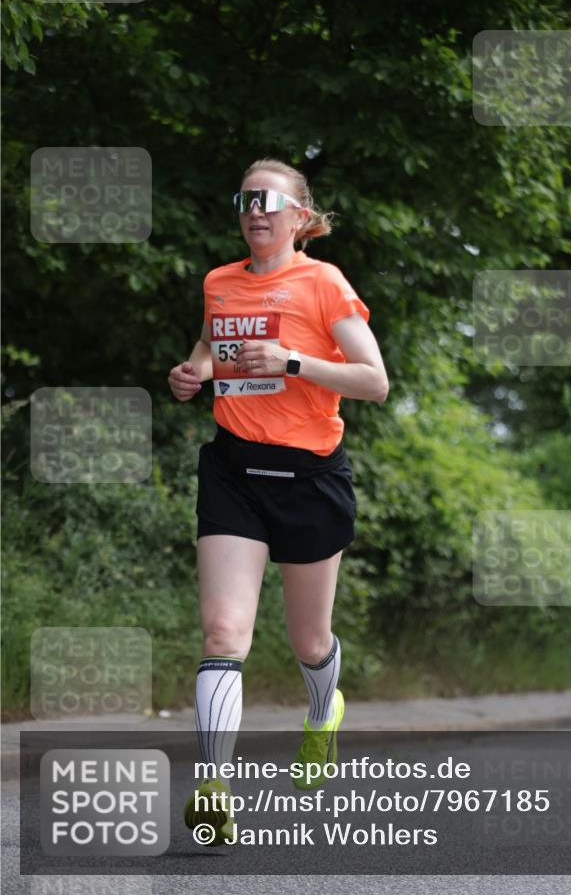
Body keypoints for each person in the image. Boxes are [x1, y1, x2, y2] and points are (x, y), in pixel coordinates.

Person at [168, 157, 389, 845]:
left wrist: (292, 362)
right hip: (234, 470)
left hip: (309, 478)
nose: (254, 211)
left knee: (308, 640)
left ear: (299, 216)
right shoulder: (218, 282)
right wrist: (192, 371)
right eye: (245, 200)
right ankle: (213, 790)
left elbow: (373, 381)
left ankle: (323, 714)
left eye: (268, 201)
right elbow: (211, 344)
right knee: (223, 634)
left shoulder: (323, 283)